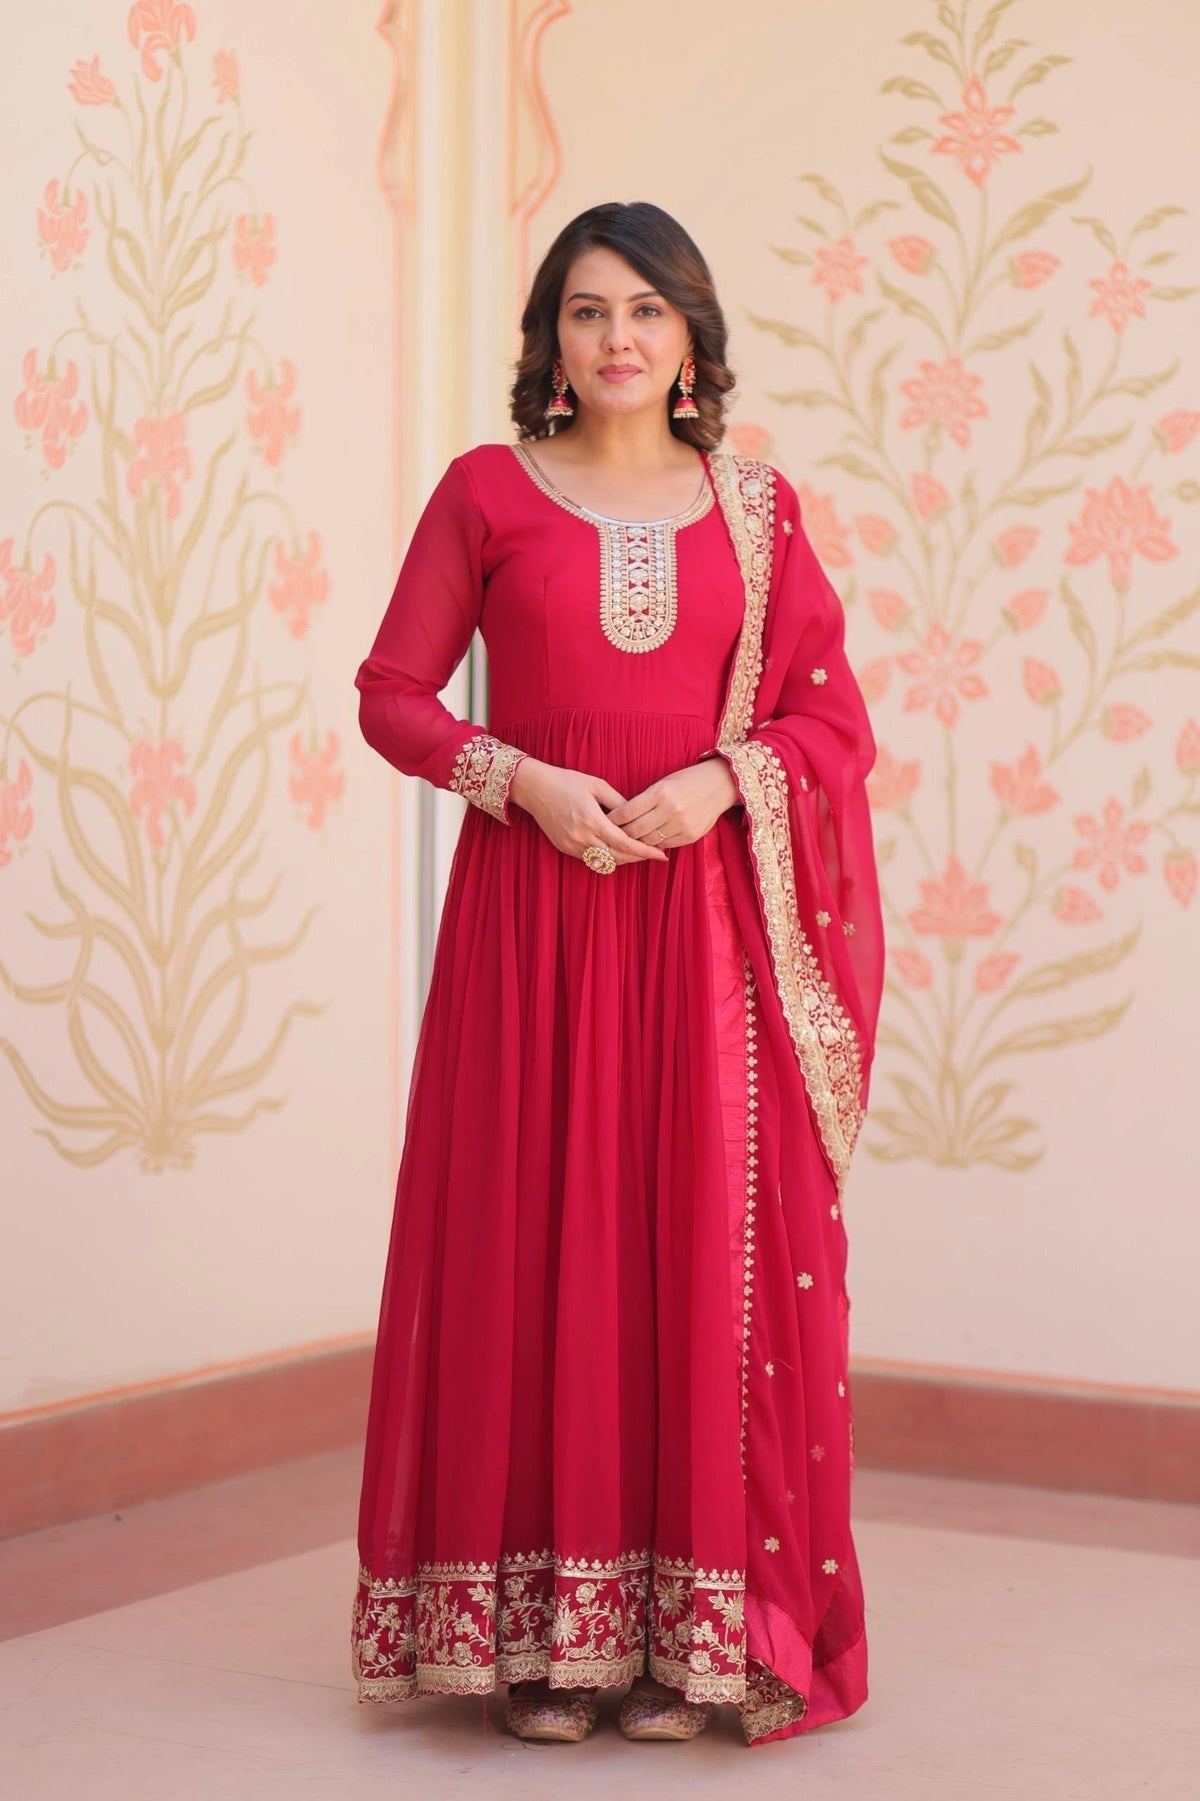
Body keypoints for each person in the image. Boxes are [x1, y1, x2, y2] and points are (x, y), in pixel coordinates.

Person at [349, 200, 883, 1747]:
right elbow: (392, 695)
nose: (620, 338)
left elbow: (829, 722)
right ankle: (547, 1641)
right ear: (551, 342)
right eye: (587, 312)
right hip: (532, 925)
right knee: (531, 1241)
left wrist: (728, 779)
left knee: (687, 1253)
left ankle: (685, 1637)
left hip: (707, 938)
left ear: (692, 338)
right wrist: (515, 778)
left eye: (647, 311)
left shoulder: (760, 514)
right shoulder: (482, 495)